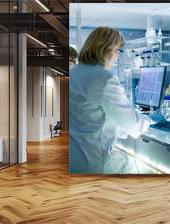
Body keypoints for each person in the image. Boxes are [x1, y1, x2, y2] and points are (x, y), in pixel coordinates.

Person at [69, 27, 162, 174]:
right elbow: (131, 124)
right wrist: (149, 120)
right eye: (119, 51)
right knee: (134, 167)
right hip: (92, 160)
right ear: (108, 50)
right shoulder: (103, 79)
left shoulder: (74, 73)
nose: (118, 56)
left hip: (74, 157)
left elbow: (92, 116)